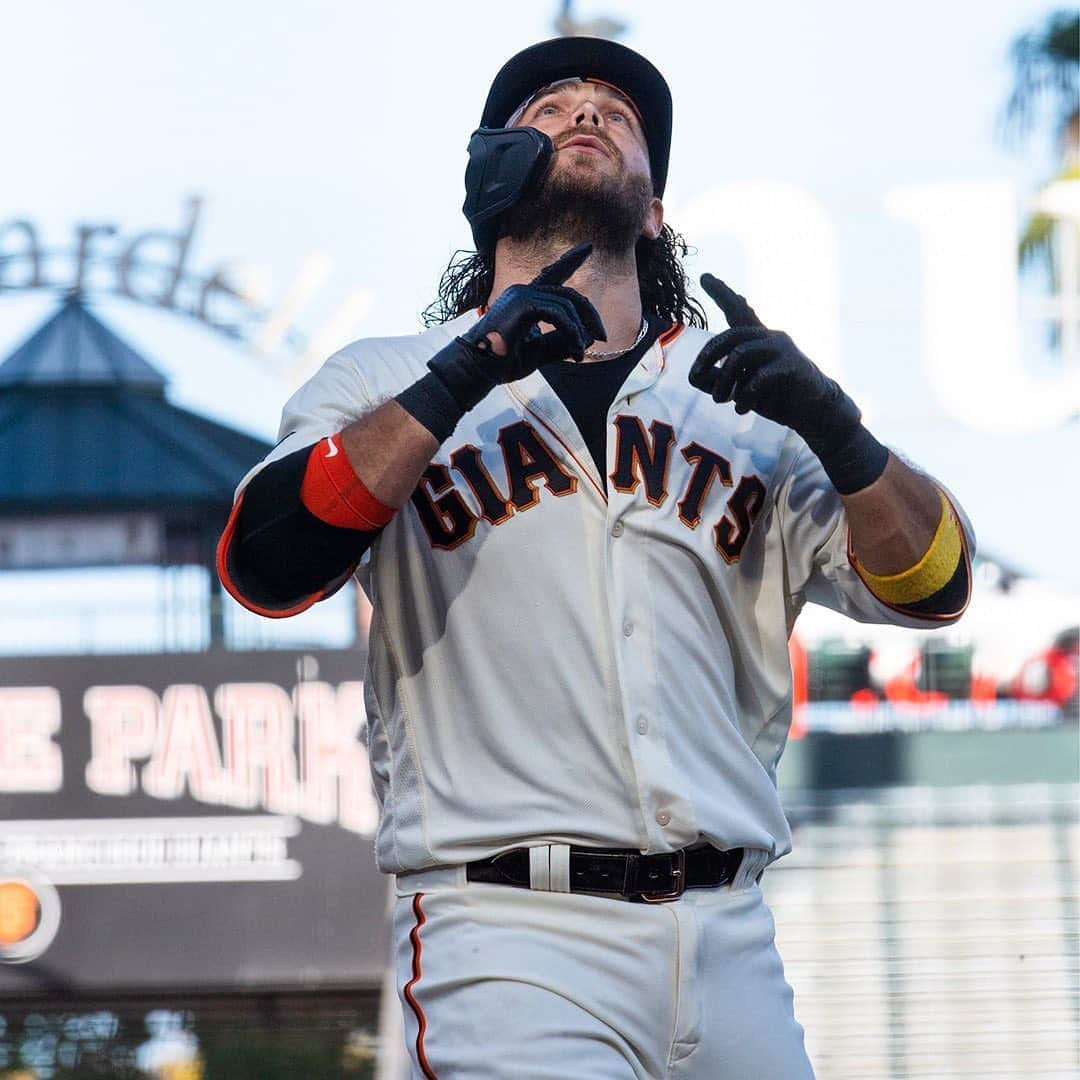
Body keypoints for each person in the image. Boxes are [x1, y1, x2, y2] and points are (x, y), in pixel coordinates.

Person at [218, 36, 974, 1080]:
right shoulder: (384, 380)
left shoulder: (744, 404)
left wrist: (841, 437)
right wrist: (460, 377)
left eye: (617, 112)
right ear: (491, 181)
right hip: (510, 936)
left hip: (734, 936)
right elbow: (266, 564)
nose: (588, 112)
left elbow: (937, 586)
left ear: (654, 209)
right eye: (551, 106)